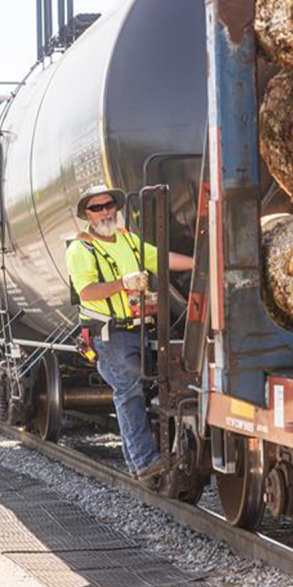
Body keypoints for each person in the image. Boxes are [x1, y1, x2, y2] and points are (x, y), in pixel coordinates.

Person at [66, 185, 194, 484]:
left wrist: (199, 264)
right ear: (87, 214)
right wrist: (123, 283)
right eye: (97, 208)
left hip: (141, 330)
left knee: (150, 388)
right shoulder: (80, 249)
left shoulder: (127, 240)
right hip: (110, 334)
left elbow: (160, 258)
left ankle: (147, 460)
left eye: (109, 205)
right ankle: (143, 462)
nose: (105, 212)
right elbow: (86, 291)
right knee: (129, 390)